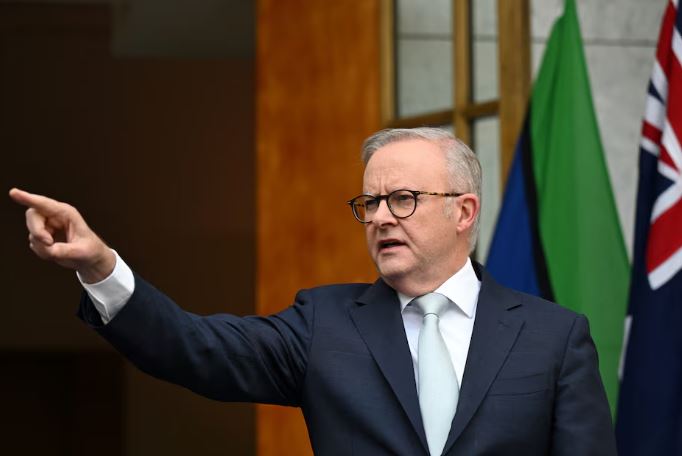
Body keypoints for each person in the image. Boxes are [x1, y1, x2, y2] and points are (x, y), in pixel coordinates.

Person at [9, 127, 616, 455]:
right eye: (370, 203)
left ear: (464, 211)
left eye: (403, 199)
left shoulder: (553, 337)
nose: (380, 217)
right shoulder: (324, 323)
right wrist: (101, 266)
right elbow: (192, 347)